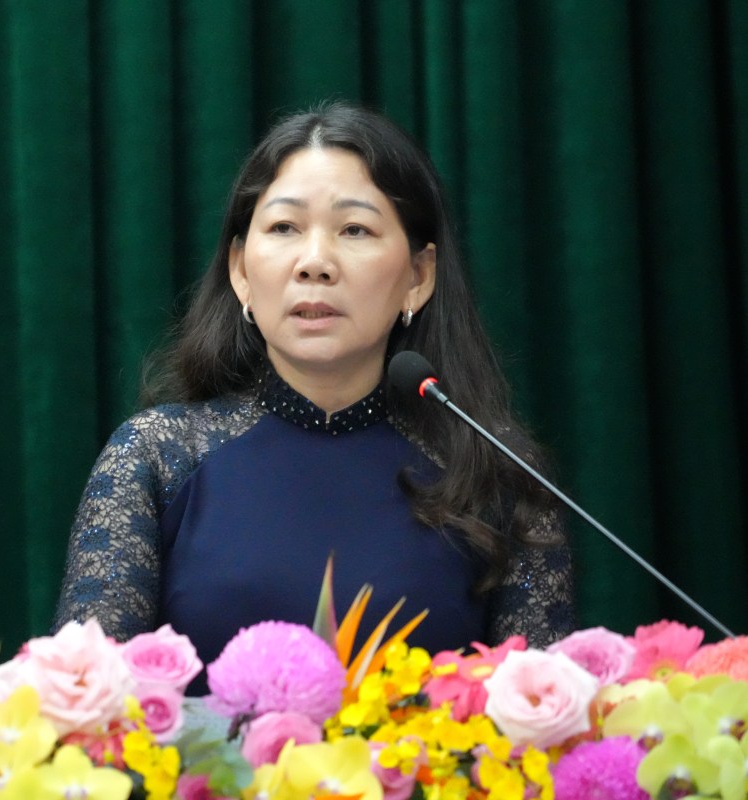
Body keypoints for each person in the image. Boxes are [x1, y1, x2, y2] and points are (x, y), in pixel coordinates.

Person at [52, 102, 574, 690]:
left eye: (355, 230)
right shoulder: (156, 459)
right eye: (283, 228)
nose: (315, 263)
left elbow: (541, 734)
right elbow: (85, 719)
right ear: (241, 271)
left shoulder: (493, 470)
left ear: (419, 276)